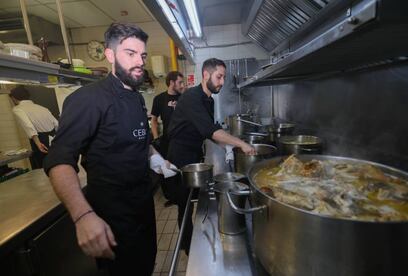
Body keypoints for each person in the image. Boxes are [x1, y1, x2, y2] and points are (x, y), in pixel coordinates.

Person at [43, 23, 174, 276]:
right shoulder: (88, 99)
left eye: (142, 55)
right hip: (111, 218)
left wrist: (157, 159)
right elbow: (58, 160)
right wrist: (83, 217)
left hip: (143, 209)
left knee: (147, 265)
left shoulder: (136, 98)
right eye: (130, 53)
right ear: (110, 55)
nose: (139, 62)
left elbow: (139, 142)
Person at [167, 58, 256, 254]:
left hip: (193, 152)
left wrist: (227, 147)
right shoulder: (191, 98)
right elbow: (211, 131)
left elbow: (209, 130)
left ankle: (192, 238)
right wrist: (241, 144)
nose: (222, 82)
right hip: (180, 155)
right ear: (206, 75)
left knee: (192, 199)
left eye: (223, 77)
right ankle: (187, 245)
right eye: (219, 77)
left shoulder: (208, 98)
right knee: (185, 202)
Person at [151, 71, 185, 207]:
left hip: (182, 140)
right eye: (180, 82)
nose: (182, 85)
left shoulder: (184, 98)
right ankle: (171, 196)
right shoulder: (159, 99)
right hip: (166, 141)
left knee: (180, 168)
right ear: (171, 82)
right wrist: (155, 138)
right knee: (166, 169)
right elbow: (154, 120)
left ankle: (182, 194)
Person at [10, 86, 58, 169]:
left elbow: (28, 126)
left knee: (43, 168)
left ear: (13, 98)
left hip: (40, 141)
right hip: (54, 140)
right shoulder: (42, 108)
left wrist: (38, 144)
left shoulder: (18, 109)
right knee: (55, 165)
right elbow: (57, 124)